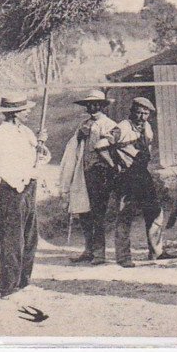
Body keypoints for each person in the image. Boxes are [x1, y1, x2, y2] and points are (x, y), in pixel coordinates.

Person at [0, 94, 51, 298]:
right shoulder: (0, 135)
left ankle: (24, 282)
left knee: (30, 238)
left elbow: (40, 157)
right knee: (12, 241)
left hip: (29, 189)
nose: (29, 111)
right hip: (13, 190)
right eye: (24, 109)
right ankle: (8, 287)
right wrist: (25, 179)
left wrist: (41, 145)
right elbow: (4, 167)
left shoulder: (25, 131)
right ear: (14, 113)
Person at [108, 97, 169, 266]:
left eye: (146, 113)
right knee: (125, 215)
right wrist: (115, 166)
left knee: (155, 211)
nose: (142, 116)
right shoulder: (122, 127)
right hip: (126, 176)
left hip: (142, 173)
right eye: (139, 112)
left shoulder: (147, 127)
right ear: (132, 111)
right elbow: (102, 145)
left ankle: (156, 251)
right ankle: (123, 257)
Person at [58, 90, 117, 264]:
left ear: (102, 105)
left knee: (98, 213)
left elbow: (113, 147)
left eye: (96, 104)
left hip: (101, 173)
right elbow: (73, 148)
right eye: (89, 104)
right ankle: (88, 249)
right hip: (83, 173)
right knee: (84, 212)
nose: (92, 107)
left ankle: (99, 253)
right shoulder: (83, 125)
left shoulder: (110, 125)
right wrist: (79, 137)